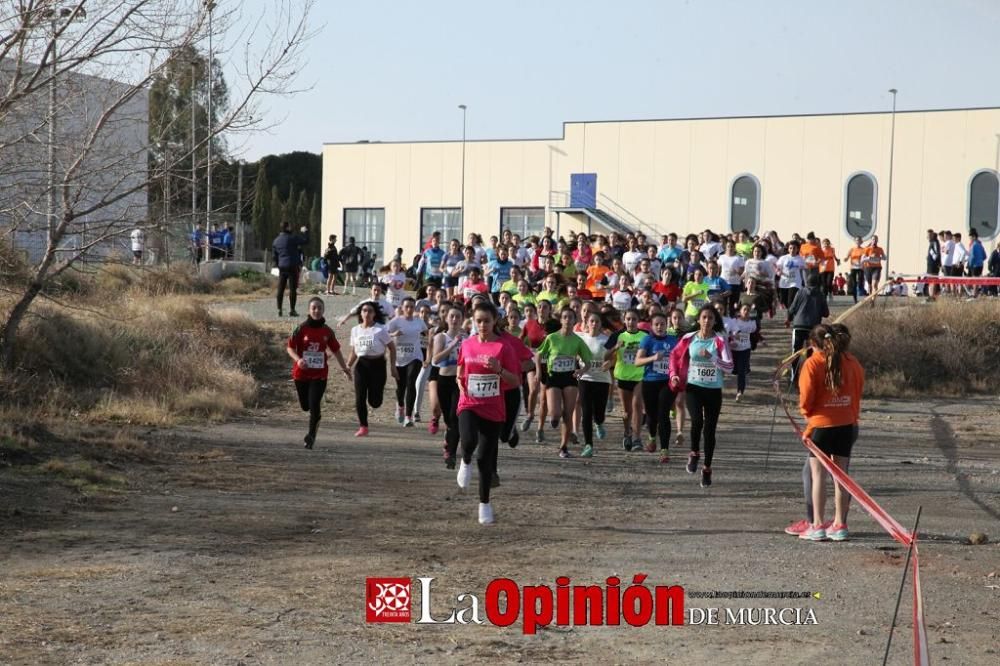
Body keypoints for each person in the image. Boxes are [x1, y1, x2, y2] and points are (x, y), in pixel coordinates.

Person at [455, 301, 522, 525]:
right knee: (468, 440)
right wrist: (458, 380)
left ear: (495, 321)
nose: (482, 325)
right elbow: (461, 367)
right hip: (469, 402)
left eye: (487, 321)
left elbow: (515, 381)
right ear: (473, 322)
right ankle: (465, 460)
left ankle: (484, 503)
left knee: (485, 459)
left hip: (493, 408)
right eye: (478, 321)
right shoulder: (467, 344)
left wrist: (499, 369)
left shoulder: (504, 348)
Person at [797, 324, 865, 542]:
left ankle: (817, 524)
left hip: (822, 426)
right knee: (841, 477)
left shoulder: (813, 363)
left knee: (818, 476)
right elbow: (858, 390)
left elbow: (806, 398)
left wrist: (807, 416)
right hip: (846, 423)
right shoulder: (852, 362)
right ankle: (840, 523)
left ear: (814, 345)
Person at [669, 305, 734, 488]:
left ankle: (707, 468)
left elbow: (730, 367)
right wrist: (674, 375)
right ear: (698, 319)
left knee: (710, 430)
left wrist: (713, 358)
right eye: (704, 317)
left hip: (713, 390)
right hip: (694, 387)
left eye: (711, 318)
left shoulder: (720, 341)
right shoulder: (689, 338)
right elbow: (674, 355)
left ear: (715, 321)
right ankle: (694, 453)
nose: (707, 321)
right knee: (697, 421)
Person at [286, 297, 351, 449]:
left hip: (319, 375)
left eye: (319, 308)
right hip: (301, 374)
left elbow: (336, 350)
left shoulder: (327, 331)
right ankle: (313, 419)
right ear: (309, 310)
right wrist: (298, 360)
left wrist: (345, 368)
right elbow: (290, 347)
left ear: (323, 310)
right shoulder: (300, 328)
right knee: (305, 406)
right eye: (314, 308)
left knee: (314, 404)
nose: (317, 310)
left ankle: (311, 436)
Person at [535, 307, 592, 458]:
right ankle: (554, 420)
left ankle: (563, 447)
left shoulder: (578, 341)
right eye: (565, 317)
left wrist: (581, 370)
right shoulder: (552, 338)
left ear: (575, 321)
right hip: (553, 377)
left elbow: (588, 362)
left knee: (568, 413)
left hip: (570, 378)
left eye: (570, 317)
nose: (567, 320)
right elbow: (538, 354)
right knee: (555, 415)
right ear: (561, 320)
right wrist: (539, 372)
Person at [346, 301, 397, 437]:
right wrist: (348, 366)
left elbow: (392, 348)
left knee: (375, 402)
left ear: (374, 314)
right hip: (362, 366)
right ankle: (363, 426)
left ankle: (376, 397)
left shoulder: (380, 329)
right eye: (364, 310)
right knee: (359, 397)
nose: (367, 313)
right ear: (360, 313)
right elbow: (354, 351)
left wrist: (392, 367)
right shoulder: (355, 330)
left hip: (378, 365)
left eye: (370, 311)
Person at [634, 311, 679, 462]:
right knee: (652, 416)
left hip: (667, 382)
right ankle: (652, 437)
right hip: (650, 381)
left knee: (663, 414)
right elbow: (637, 361)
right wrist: (653, 357)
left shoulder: (674, 340)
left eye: (662, 324)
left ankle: (664, 450)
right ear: (652, 326)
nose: (659, 327)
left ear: (667, 325)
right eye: (656, 324)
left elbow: (680, 360)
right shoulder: (647, 340)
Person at [575, 312, 614, 458]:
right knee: (586, 412)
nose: (594, 324)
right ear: (587, 322)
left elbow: (612, 359)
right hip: (585, 378)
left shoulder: (606, 340)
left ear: (600, 324)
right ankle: (588, 445)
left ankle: (599, 422)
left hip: (602, 379)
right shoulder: (580, 337)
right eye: (592, 321)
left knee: (599, 412)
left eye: (597, 321)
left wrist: (609, 363)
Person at [433, 306, 465, 468]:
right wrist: (452, 345)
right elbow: (436, 360)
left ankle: (451, 453)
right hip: (444, 380)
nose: (454, 320)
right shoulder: (441, 337)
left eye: (458, 317)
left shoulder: (468, 338)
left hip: (459, 382)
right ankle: (448, 440)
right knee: (448, 418)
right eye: (452, 316)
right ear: (446, 319)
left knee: (455, 416)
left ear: (462, 320)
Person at [387, 296, 427, 428]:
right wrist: (394, 334)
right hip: (399, 358)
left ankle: (408, 417)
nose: (409, 309)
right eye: (407, 307)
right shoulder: (396, 321)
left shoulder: (419, 322)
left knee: (411, 383)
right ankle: (400, 406)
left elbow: (428, 334)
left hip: (415, 357)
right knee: (401, 387)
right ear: (402, 308)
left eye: (411, 306)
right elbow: (384, 334)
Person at [786, 273, 830, 385]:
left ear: (807, 282)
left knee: (795, 353)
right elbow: (826, 313)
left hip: (799, 326)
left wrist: (788, 319)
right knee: (812, 354)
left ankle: (794, 378)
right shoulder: (820, 294)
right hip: (813, 328)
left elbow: (792, 309)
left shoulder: (800, 292)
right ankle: (810, 378)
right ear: (818, 283)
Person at [272, 223, 309, 318]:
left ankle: (279, 310)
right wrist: (305, 232)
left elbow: (274, 256)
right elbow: (305, 241)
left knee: (281, 288)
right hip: (292, 266)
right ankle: (292, 310)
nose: (291, 228)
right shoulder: (292, 238)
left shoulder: (276, 241)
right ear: (287, 227)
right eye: (290, 226)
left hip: (282, 266)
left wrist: (278, 264)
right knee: (292, 289)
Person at [726, 303, 757, 400]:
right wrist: (731, 341)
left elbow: (755, 335)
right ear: (740, 311)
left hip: (745, 349)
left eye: (748, 310)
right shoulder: (734, 321)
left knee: (741, 371)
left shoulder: (752, 323)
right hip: (733, 350)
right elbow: (729, 333)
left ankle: (740, 392)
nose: (746, 312)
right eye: (744, 309)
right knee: (733, 370)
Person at [925, 229, 941, 299]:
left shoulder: (935, 242)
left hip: (933, 265)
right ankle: (930, 295)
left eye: (929, 235)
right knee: (929, 280)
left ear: (932, 235)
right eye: (927, 235)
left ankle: (932, 296)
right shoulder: (931, 242)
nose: (927, 236)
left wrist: (931, 255)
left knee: (933, 279)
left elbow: (937, 254)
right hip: (930, 264)